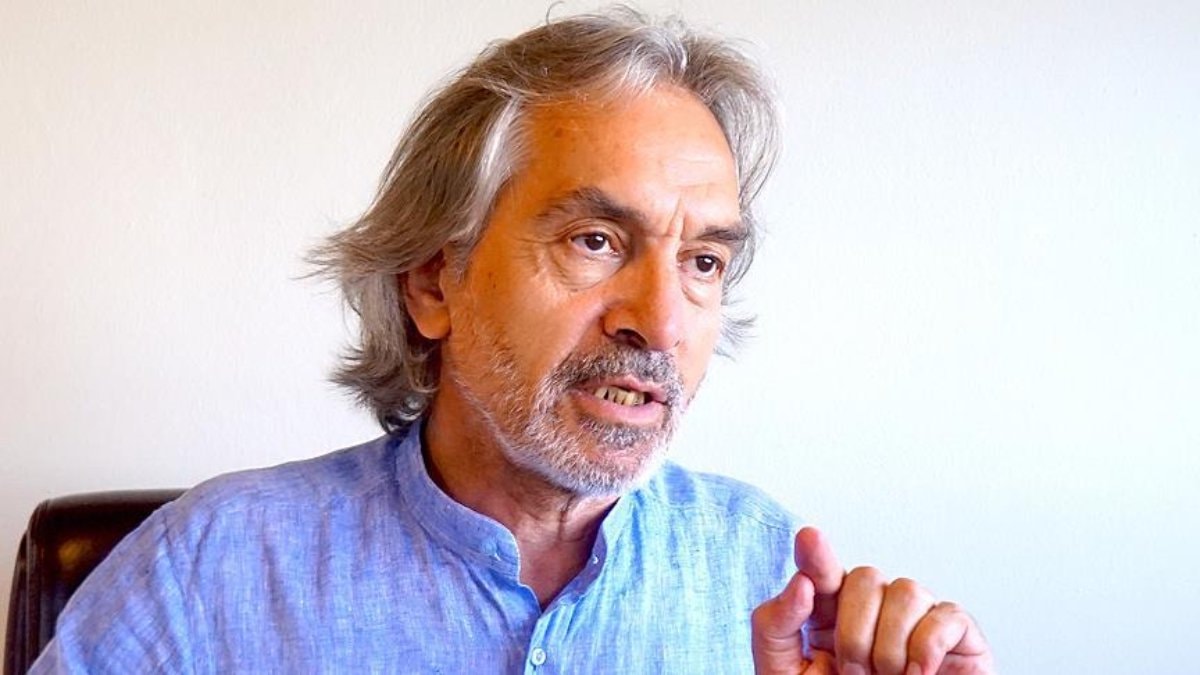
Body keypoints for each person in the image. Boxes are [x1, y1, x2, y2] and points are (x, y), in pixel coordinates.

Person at [31, 9, 994, 674]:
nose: (661, 321)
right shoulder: (206, 573)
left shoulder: (771, 574)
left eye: (703, 260)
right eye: (595, 241)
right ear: (433, 283)